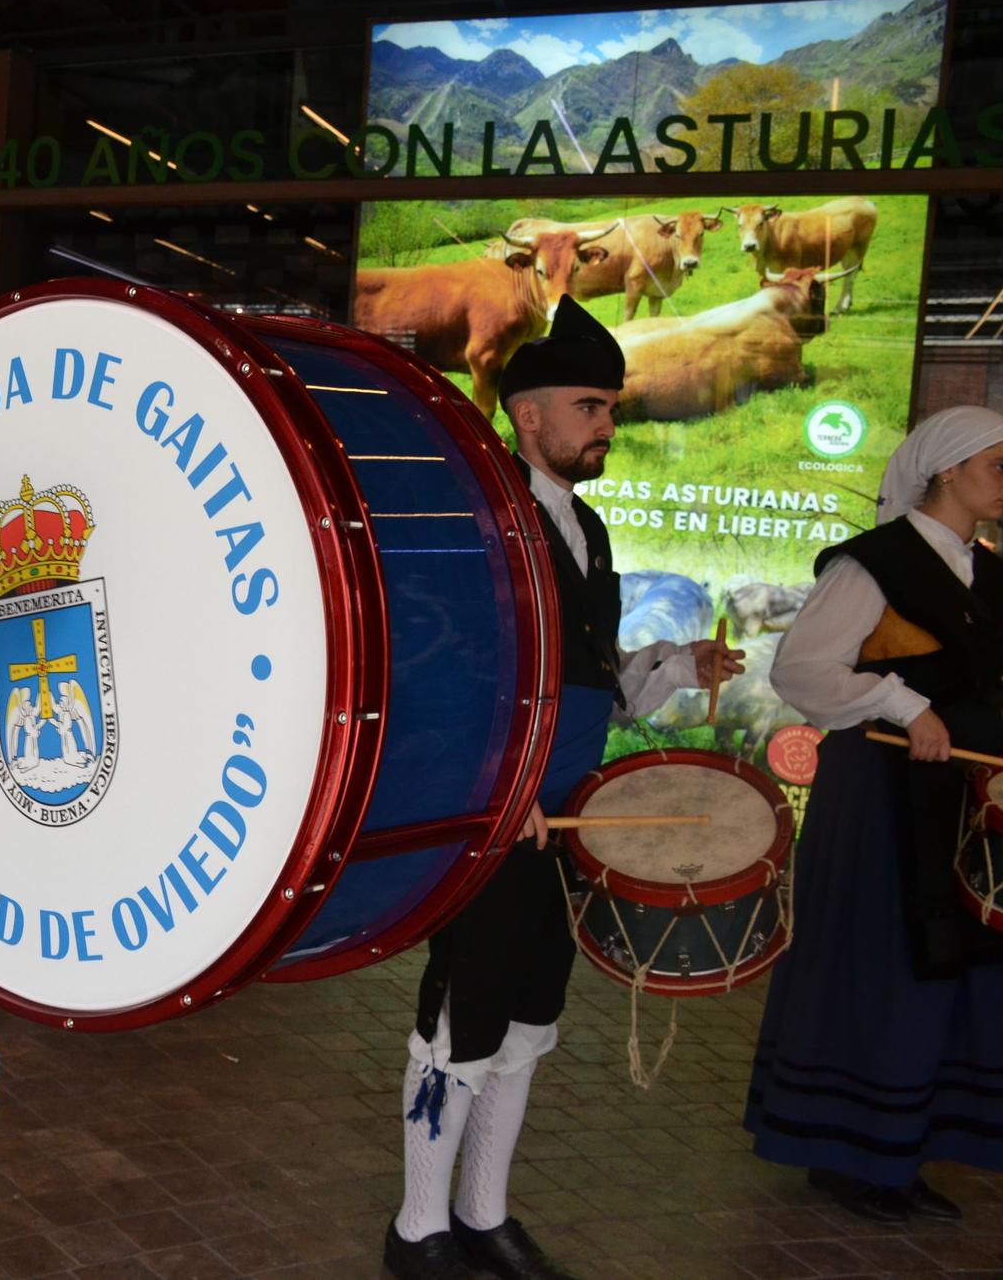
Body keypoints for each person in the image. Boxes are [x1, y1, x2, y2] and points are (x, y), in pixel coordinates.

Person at [384, 297, 743, 1280]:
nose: (606, 425)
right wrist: (497, 789)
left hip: (567, 822)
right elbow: (434, 674)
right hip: (492, 821)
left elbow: (587, 676)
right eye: (589, 405)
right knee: (462, 1018)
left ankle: (483, 1214)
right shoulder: (471, 511)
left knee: (530, 1020)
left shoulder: (584, 525)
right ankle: (417, 1228)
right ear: (526, 413)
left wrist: (676, 663)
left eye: (609, 408)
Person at [746, 405, 1003, 1221]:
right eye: (997, 462)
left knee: (947, 969)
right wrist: (901, 703)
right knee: (878, 962)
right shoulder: (872, 565)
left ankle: (903, 1145)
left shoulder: (987, 570)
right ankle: (849, 1153)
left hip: (962, 803)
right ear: (949, 470)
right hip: (883, 801)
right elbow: (802, 669)